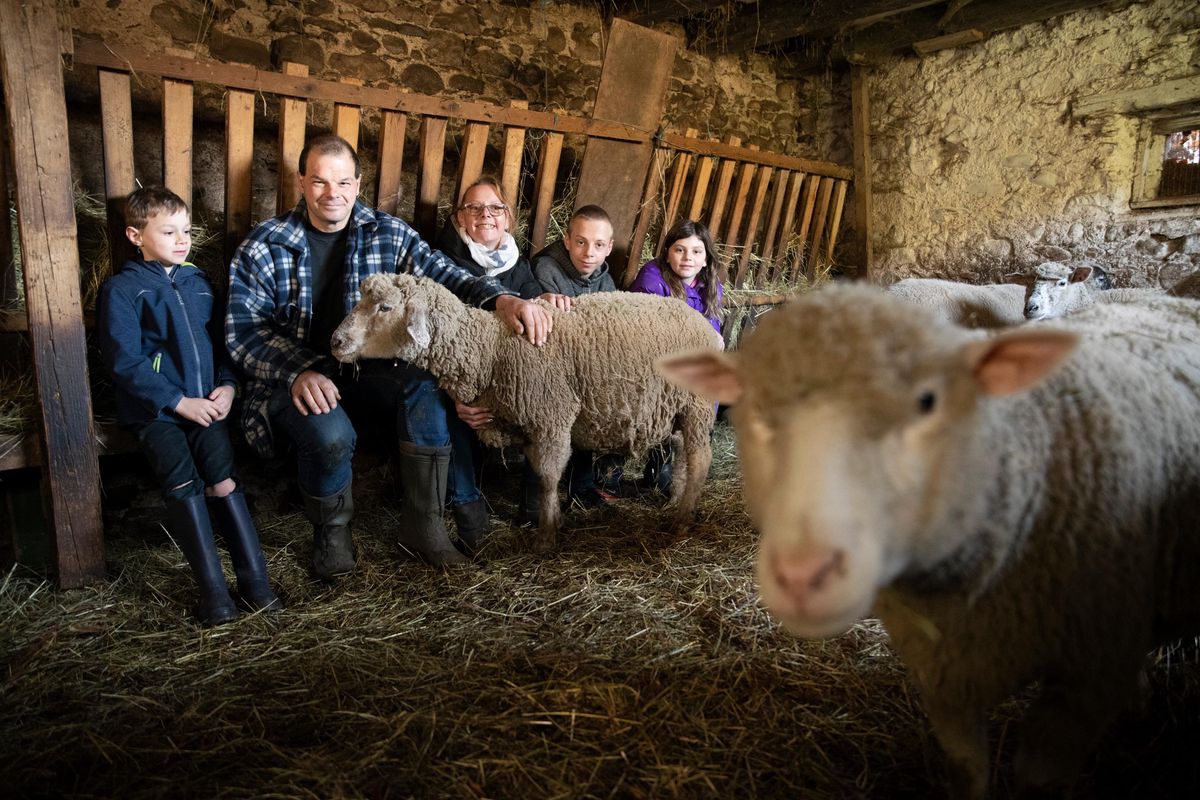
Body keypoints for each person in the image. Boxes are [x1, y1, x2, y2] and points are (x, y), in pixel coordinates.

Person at [226, 134, 551, 575]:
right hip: (297, 375)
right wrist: (298, 372)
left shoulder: (388, 233)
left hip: (366, 371)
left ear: (358, 184)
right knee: (331, 433)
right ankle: (332, 533)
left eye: (342, 182)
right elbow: (242, 331)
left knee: (423, 386)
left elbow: (445, 274)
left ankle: (425, 527)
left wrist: (502, 299)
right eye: (319, 182)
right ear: (302, 182)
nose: (332, 194)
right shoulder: (266, 244)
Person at [98, 186, 282, 626]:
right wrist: (177, 401)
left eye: (186, 230)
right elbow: (123, 359)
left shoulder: (199, 282)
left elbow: (221, 344)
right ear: (135, 235)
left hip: (206, 406)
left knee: (223, 480)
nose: (182, 240)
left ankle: (256, 584)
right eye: (169, 231)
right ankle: (214, 595)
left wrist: (228, 385)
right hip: (157, 412)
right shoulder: (123, 290)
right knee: (183, 483)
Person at [434, 177, 575, 530]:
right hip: (463, 381)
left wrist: (545, 298)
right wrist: (455, 395)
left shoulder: (516, 262)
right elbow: (435, 342)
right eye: (474, 208)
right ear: (459, 219)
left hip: (506, 377)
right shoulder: (444, 262)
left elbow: (531, 293)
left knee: (543, 399)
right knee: (448, 413)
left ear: (508, 219)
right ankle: (465, 503)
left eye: (495, 208)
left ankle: (535, 496)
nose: (486, 215)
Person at [529, 205, 621, 513]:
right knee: (554, 416)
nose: (588, 253)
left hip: (586, 366)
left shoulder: (606, 282)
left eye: (598, 245)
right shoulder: (546, 270)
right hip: (547, 364)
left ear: (609, 247)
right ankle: (539, 494)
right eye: (580, 242)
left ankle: (584, 484)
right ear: (566, 240)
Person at [627, 218, 725, 494]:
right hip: (655, 361)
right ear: (667, 252)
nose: (687, 258)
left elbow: (713, 332)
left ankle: (694, 446)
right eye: (680, 250)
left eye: (696, 252)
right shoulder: (651, 282)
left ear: (706, 260)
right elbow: (645, 335)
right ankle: (658, 460)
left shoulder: (711, 287)